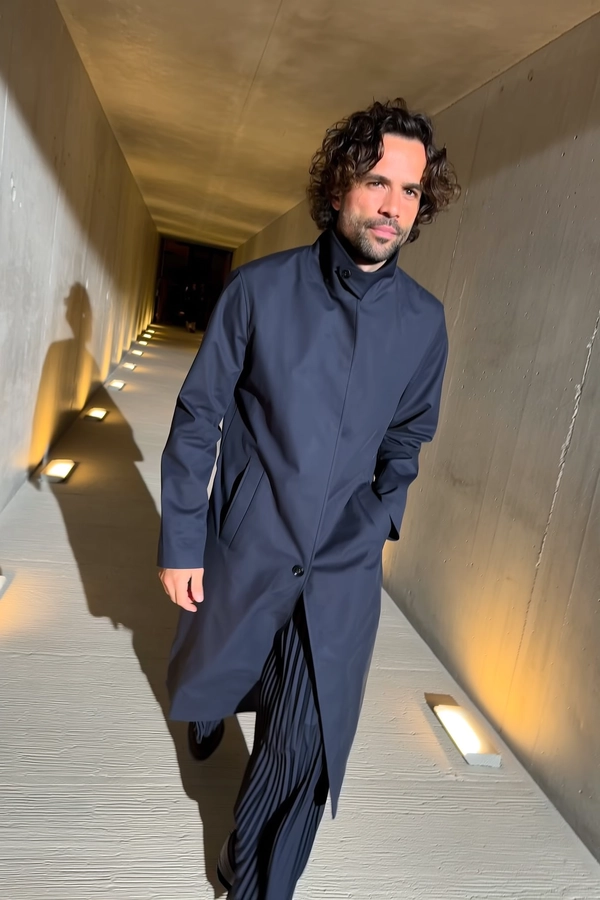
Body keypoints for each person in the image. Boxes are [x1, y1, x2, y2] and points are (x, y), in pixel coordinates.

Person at [158, 98, 459, 899]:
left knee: (302, 751)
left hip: (340, 572)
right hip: (253, 543)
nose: (394, 205)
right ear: (337, 186)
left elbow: (408, 439)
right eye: (377, 182)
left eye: (411, 190)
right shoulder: (259, 291)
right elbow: (199, 418)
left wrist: (380, 519)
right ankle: (213, 707)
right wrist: (183, 540)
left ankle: (250, 880)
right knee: (225, 663)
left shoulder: (425, 324)